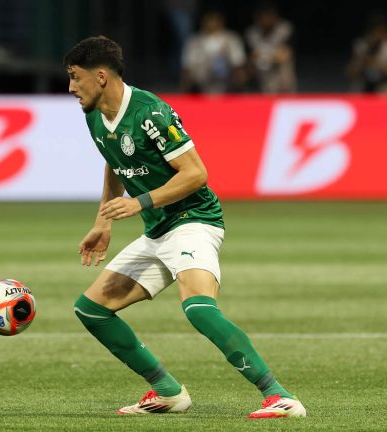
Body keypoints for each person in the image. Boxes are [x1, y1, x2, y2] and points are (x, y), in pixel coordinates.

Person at [63, 36, 305, 419]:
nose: (71, 88)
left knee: (198, 308)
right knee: (91, 309)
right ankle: (168, 391)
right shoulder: (94, 115)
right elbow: (114, 161)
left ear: (102, 76)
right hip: (158, 230)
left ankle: (280, 396)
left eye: (76, 78)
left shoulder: (151, 113)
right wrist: (103, 222)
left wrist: (138, 202)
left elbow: (195, 174)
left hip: (194, 221)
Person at [181, 10, 246, 93]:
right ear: (203, 22)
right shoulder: (194, 41)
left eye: (214, 20)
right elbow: (187, 67)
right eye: (208, 20)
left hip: (226, 85)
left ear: (221, 22)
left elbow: (238, 63)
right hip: (200, 87)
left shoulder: (231, 39)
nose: (211, 24)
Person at [245, 4, 296, 93]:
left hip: (282, 77)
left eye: (270, 16)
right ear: (257, 18)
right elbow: (252, 58)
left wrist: (263, 57)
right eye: (264, 16)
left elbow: (284, 56)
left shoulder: (284, 29)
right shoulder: (252, 33)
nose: (267, 19)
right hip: (262, 78)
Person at [346, 13, 387, 93]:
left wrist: (378, 64)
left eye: (380, 32)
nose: (377, 35)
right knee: (356, 88)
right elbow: (350, 73)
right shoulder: (362, 46)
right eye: (374, 32)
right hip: (364, 86)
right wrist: (363, 61)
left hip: (383, 86)